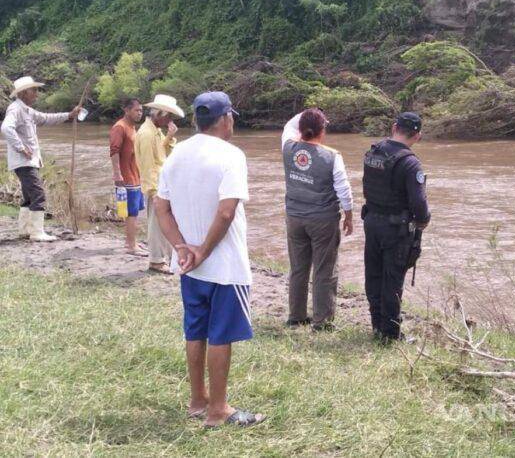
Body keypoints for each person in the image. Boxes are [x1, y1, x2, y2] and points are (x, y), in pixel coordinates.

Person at [155, 91, 265, 428]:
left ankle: (197, 399)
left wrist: (182, 247)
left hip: (190, 267)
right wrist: (204, 249)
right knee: (221, 335)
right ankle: (218, 410)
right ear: (226, 118)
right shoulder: (231, 155)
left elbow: (161, 207)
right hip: (224, 266)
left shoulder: (177, 154)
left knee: (195, 331)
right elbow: (227, 211)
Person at [281, 108, 353, 332]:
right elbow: (344, 190)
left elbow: (288, 126)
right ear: (322, 130)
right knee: (324, 270)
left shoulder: (288, 147)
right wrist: (349, 215)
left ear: (301, 129)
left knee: (298, 268)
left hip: (294, 217)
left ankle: (296, 317)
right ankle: (322, 322)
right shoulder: (331, 156)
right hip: (323, 220)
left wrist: (307, 113)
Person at [362, 112, 430, 343]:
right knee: (392, 281)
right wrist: (423, 221)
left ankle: (377, 326)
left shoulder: (373, 152)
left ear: (394, 127)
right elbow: (419, 204)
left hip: (371, 222)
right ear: (418, 136)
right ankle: (390, 335)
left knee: (373, 275)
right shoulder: (410, 163)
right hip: (396, 229)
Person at [1, 76, 81, 241]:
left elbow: (46, 118)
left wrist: (69, 115)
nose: (37, 94)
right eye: (34, 90)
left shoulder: (27, 110)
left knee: (29, 195)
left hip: (27, 161)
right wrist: (21, 148)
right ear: (23, 93)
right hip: (24, 161)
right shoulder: (15, 109)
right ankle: (37, 233)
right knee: (38, 194)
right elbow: (6, 128)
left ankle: (25, 230)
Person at [135, 94, 184, 274]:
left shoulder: (154, 130)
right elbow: (148, 166)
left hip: (161, 185)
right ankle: (156, 261)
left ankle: (163, 258)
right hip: (156, 186)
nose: (169, 119)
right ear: (160, 114)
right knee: (156, 224)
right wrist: (155, 192)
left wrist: (169, 137)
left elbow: (161, 155)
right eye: (168, 116)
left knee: (163, 222)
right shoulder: (147, 134)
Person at [110, 98, 145, 256]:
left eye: (141, 111)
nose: (140, 113)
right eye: (137, 110)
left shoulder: (132, 127)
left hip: (135, 175)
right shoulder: (120, 127)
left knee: (135, 210)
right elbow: (114, 150)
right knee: (131, 212)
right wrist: (117, 173)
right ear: (127, 110)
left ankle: (131, 241)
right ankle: (131, 246)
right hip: (126, 176)